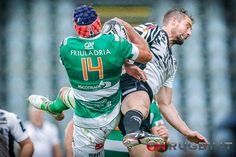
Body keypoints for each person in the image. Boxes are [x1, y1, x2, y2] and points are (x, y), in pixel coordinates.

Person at [28, 5, 153, 157]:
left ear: (76, 27)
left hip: (87, 123)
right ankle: (53, 108)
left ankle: (53, 108)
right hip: (114, 110)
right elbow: (147, 55)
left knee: (67, 93)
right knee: (64, 93)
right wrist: (126, 27)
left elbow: (90, 58)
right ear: (98, 22)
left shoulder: (66, 46)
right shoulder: (115, 42)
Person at [117, 8, 209, 151]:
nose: (190, 33)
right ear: (173, 21)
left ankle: (133, 131)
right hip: (129, 84)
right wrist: (127, 64)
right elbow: (120, 37)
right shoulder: (153, 30)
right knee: (142, 98)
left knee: (144, 152)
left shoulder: (172, 63)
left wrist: (187, 132)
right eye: (187, 26)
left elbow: (165, 104)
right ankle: (133, 131)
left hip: (141, 107)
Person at [64, 101, 169, 157]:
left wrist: (164, 139)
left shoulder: (149, 103)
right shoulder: (102, 97)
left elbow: (162, 146)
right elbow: (72, 129)